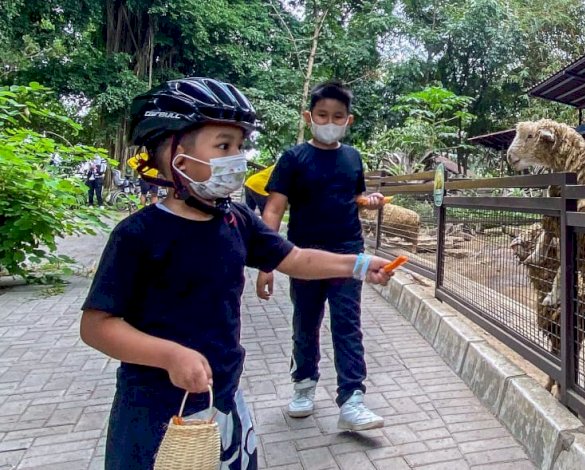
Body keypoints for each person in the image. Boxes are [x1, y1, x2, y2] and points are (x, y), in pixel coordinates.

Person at [79, 77, 395, 470]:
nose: (237, 158)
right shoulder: (137, 235)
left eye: (240, 146)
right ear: (174, 153)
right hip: (154, 411)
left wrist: (360, 265)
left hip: (225, 399)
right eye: (223, 146)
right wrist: (169, 355)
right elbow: (96, 326)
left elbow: (294, 259)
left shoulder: (236, 219)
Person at [256, 80, 387, 429]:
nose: (330, 121)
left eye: (338, 116)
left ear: (349, 120)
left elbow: (354, 197)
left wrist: (368, 201)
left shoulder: (353, 157)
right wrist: (267, 261)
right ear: (309, 116)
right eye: (323, 115)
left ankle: (352, 399)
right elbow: (273, 209)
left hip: (348, 253)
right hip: (302, 256)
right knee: (306, 322)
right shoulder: (293, 158)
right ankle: (304, 385)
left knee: (347, 324)